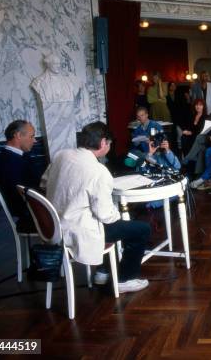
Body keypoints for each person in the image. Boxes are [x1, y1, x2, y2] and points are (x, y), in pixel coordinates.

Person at [41, 122, 151, 293]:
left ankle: (103, 271)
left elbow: (44, 183)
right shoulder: (99, 171)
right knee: (140, 229)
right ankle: (124, 279)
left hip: (54, 225)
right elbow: (106, 216)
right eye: (109, 143)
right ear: (102, 143)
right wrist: (119, 213)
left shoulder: (60, 155)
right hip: (77, 230)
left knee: (116, 225)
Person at [0, 120, 42, 233]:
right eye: (32, 136)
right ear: (18, 135)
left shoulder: (12, 157)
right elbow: (20, 198)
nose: (35, 140)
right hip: (32, 217)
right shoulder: (9, 162)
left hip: (33, 211)